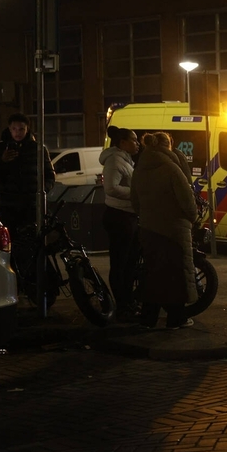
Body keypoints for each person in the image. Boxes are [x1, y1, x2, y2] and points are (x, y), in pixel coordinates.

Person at [131, 132, 199, 329]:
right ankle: (176, 318)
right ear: (168, 145)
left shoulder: (140, 169)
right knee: (176, 274)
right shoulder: (171, 168)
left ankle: (148, 318)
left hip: (148, 229)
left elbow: (135, 201)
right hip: (174, 229)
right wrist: (193, 218)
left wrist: (146, 217)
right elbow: (187, 200)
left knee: (153, 274)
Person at [100, 127, 141, 318]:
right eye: (133, 140)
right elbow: (111, 188)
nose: (137, 143)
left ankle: (128, 301)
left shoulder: (125, 159)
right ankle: (122, 305)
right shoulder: (115, 160)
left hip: (128, 215)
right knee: (120, 263)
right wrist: (135, 193)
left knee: (129, 262)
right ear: (122, 143)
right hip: (119, 217)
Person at [0, 113, 55, 237]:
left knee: (31, 241)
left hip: (31, 205)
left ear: (27, 129)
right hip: (8, 205)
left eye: (21, 129)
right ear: (9, 129)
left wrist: (41, 191)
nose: (18, 133)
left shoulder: (38, 149)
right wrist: (2, 161)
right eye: (14, 129)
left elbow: (50, 175)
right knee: (10, 241)